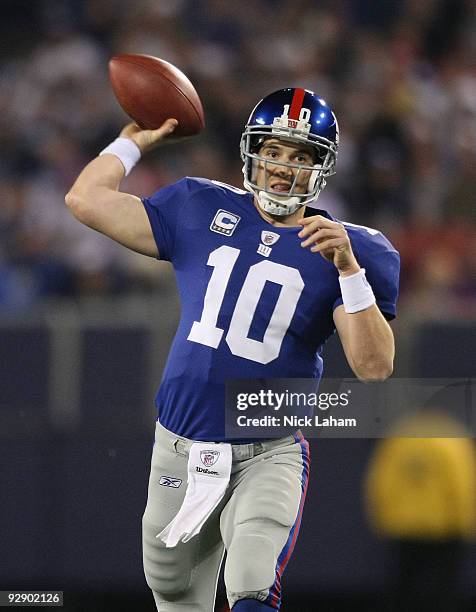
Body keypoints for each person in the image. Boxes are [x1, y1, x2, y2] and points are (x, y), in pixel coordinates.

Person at [66, 88, 399, 611]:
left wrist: (349, 271)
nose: (283, 167)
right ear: (252, 152)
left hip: (268, 450)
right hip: (179, 445)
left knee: (252, 580)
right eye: (273, 150)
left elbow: (375, 367)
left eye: (301, 156)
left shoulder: (348, 246)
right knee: (174, 593)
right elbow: (86, 200)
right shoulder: (202, 206)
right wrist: (130, 143)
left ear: (322, 167)